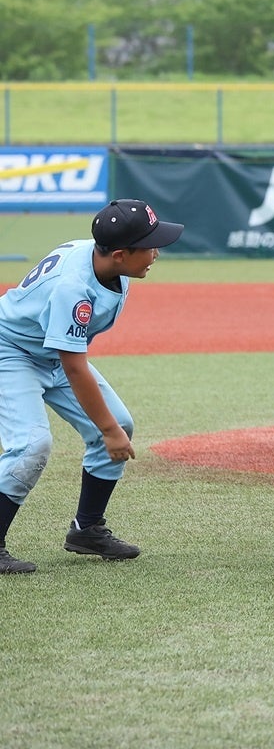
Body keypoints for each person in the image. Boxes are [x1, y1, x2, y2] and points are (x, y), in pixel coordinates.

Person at [0, 200, 182, 573]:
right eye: (148, 246)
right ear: (119, 254)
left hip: (47, 350)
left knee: (119, 423)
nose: (156, 253)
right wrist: (109, 432)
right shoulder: (74, 287)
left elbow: (69, 357)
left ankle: (87, 529)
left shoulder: (108, 266)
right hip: (11, 351)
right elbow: (75, 367)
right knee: (32, 445)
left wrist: (113, 429)